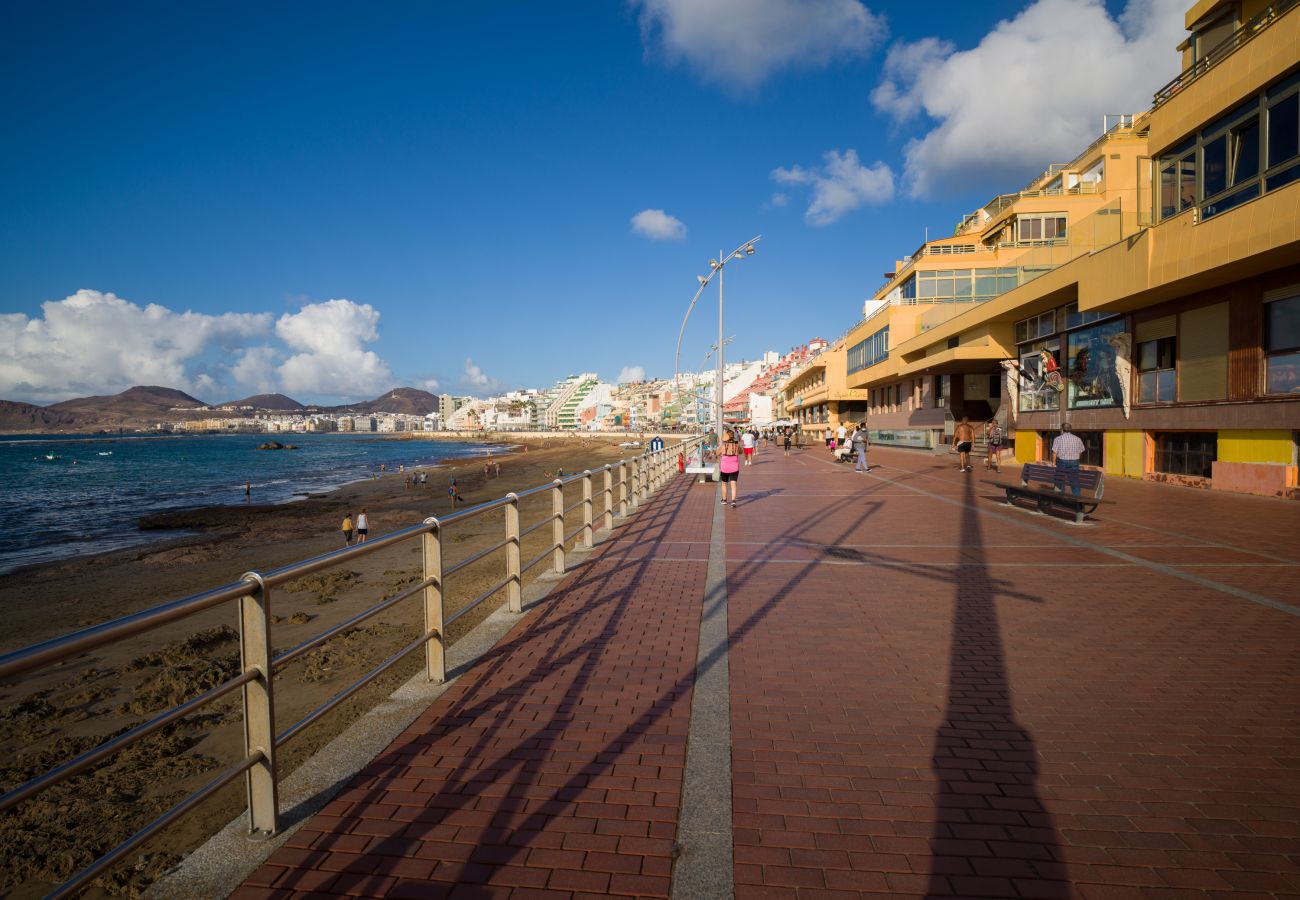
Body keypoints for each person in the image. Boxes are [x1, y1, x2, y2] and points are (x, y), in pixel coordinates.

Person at [1050, 423, 1086, 496]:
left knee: (1060, 480)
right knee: (1074, 481)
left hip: (1062, 461)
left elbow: (1054, 452)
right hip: (1074, 462)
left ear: (1062, 430)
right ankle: (1077, 498)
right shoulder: (1077, 439)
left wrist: (1053, 463)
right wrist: (1076, 458)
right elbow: (1081, 450)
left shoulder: (1058, 439)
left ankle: (1061, 497)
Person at [719, 428, 741, 508]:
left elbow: (717, 453)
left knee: (724, 483)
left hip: (724, 467)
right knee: (733, 484)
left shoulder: (723, 446)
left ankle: (724, 500)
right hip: (735, 467)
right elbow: (741, 452)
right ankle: (733, 501)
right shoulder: (736, 446)